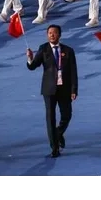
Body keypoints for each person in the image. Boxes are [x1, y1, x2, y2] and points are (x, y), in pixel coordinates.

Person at [26, 24, 78, 158]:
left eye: (54, 33)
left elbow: (73, 72)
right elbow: (33, 66)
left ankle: (58, 133)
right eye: (49, 33)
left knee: (67, 115)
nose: (52, 35)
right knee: (50, 118)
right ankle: (54, 148)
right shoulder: (43, 49)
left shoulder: (68, 50)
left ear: (59, 35)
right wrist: (30, 58)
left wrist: (74, 90)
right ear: (47, 35)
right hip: (49, 89)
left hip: (64, 88)